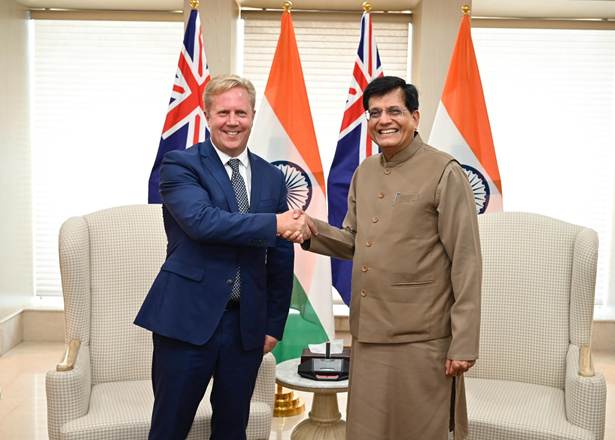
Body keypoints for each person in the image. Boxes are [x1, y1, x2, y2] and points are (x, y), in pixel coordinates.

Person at [297, 76, 482, 440]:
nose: (384, 120)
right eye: (375, 113)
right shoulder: (364, 172)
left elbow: (466, 261)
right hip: (369, 333)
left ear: (415, 117)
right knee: (367, 432)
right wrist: (309, 230)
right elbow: (353, 242)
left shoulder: (445, 171)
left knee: (419, 432)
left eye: (394, 111)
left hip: (422, 338)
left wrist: (463, 342)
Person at [134, 74, 308, 440]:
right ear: (207, 116)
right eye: (223, 112)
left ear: (253, 115)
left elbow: (280, 257)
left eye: (241, 113)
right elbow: (202, 222)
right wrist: (275, 222)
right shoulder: (180, 165)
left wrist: (273, 324)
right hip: (186, 320)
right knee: (169, 428)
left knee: (232, 429)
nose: (232, 121)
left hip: (245, 327)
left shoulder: (272, 177)